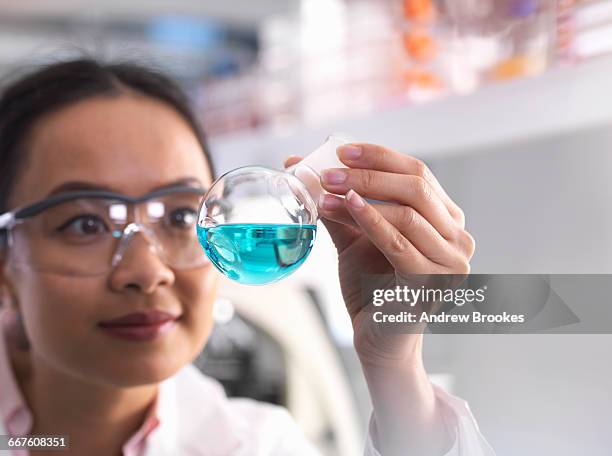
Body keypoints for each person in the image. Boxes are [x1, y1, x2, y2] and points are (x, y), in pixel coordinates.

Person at [0, 58, 494, 456]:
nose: (146, 273)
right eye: (86, 224)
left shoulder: (253, 446)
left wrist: (395, 364)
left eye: (176, 218)